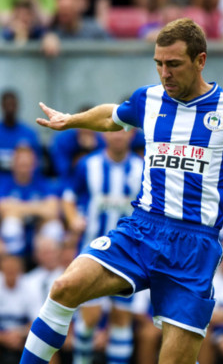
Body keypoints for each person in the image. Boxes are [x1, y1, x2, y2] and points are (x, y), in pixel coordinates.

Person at [19, 18, 223, 364]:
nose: (164, 73)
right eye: (159, 64)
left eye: (174, 64)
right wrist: (71, 119)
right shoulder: (148, 100)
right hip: (141, 230)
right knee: (64, 289)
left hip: (193, 248)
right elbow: (112, 117)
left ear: (201, 61)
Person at [61, 129, 143, 364]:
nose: (118, 136)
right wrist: (73, 218)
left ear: (132, 135)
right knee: (89, 317)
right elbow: (68, 197)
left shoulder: (143, 167)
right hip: (92, 251)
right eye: (113, 131)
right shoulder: (88, 165)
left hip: (129, 254)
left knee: (121, 318)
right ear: (103, 135)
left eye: (123, 132)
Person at [0, 90, 41, 182]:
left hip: (24, 184)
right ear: (1, 106)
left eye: (13, 105)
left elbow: (36, 164)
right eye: (7, 105)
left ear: (18, 106)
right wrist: (2, 182)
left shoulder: (30, 134)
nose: (10, 109)